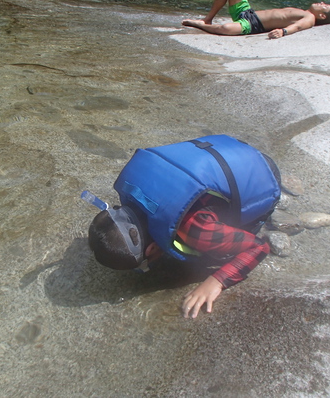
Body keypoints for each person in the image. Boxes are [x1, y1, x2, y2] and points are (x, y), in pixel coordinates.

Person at [86, 135, 281, 318]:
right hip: (227, 147)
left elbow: (259, 247)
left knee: (217, 254)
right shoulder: (134, 190)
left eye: (144, 265)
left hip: (264, 172)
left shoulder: (197, 231)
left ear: (152, 248)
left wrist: (217, 281)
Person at [182, 0, 330, 39]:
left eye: (325, 6)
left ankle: (201, 25)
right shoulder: (304, 11)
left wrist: (284, 32)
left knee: (225, 28)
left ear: (322, 16)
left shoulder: (310, 17)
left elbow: (298, 26)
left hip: (253, 25)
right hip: (248, 13)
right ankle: (208, 19)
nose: (322, 2)